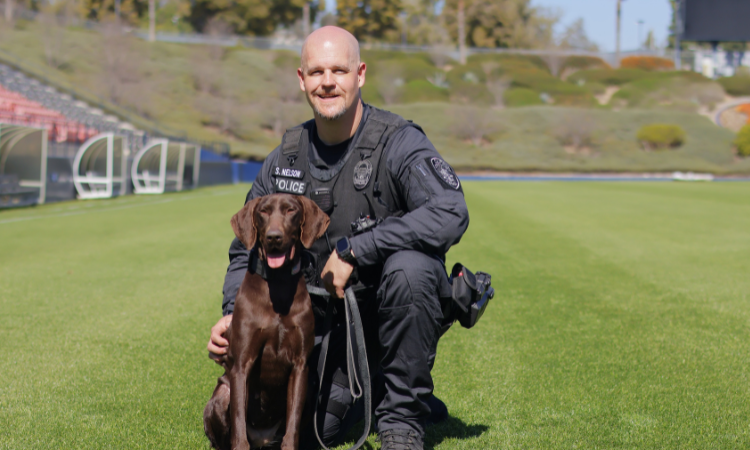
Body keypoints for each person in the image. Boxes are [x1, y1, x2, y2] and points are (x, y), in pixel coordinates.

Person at [207, 26, 469, 450]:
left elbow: (451, 210)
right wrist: (230, 315)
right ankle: (379, 386)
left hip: (389, 311)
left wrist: (358, 249)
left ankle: (402, 420)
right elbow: (245, 252)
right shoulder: (285, 158)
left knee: (412, 268)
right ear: (302, 79)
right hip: (323, 328)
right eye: (316, 72)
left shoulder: (398, 142)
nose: (327, 81)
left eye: (339, 70)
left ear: (360, 74)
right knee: (316, 434)